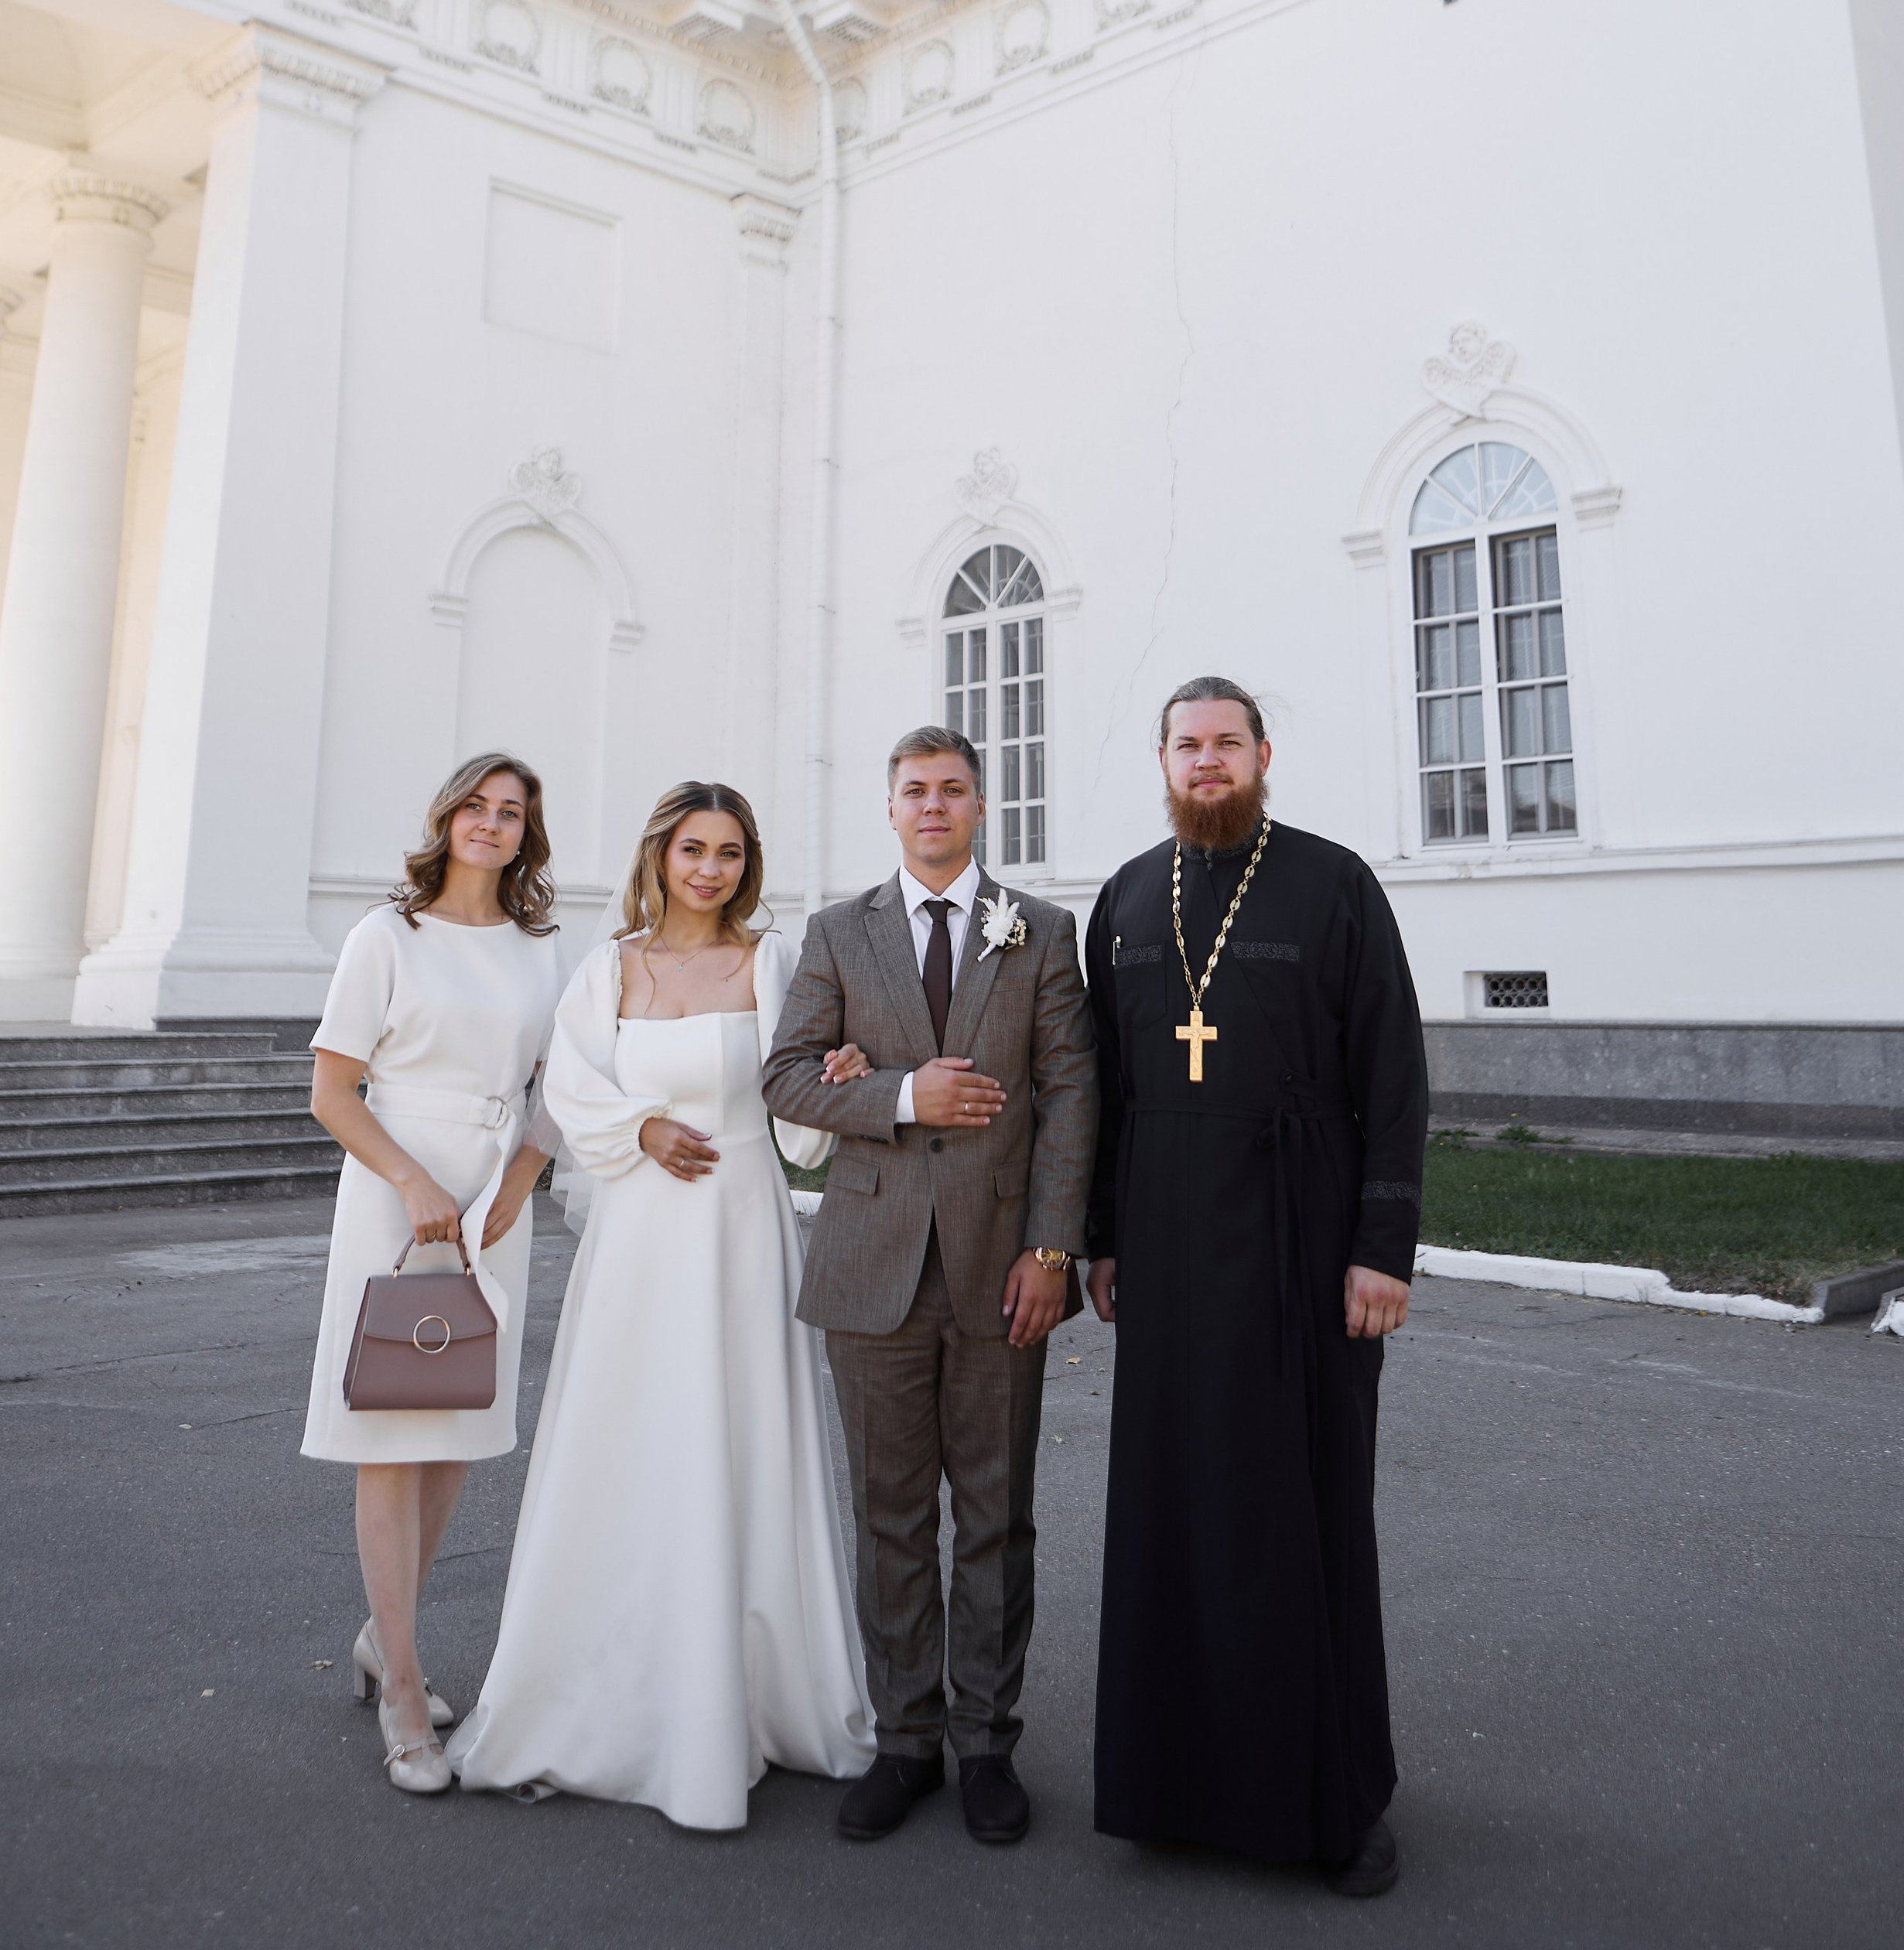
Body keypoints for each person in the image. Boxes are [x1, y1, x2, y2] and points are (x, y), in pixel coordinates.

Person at [449, 782, 873, 1825]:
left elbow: (798, 1111)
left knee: (740, 1440)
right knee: (627, 1437)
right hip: (638, 1240)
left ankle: (754, 1699)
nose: (710, 870)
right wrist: (639, 1128)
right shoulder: (610, 967)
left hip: (740, 1230)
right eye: (694, 849)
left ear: (747, 864)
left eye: (729, 853)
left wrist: (839, 1075)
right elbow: (569, 1089)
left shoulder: (773, 962)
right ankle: (611, 1693)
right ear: (662, 855)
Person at [1084, 678, 1428, 1900]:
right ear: (1163, 761)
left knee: (1302, 1508)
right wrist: (1103, 1239)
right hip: (1167, 1248)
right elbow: (1109, 1089)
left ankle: (1333, 1799)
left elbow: (1394, 1076)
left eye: (1228, 742)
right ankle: (1177, 1787)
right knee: (1175, 1507)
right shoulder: (1129, 896)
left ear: (1263, 755)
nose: (1208, 761)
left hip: (1303, 1237)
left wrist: (1383, 1247)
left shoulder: (1335, 884)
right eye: (1188, 744)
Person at [763, 726, 1097, 1848]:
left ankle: (987, 1743)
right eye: (916, 790)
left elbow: (1072, 1096)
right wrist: (903, 1097)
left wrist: (1052, 1251)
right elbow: (786, 1077)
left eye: (954, 789)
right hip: (874, 1271)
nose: (935, 806)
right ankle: (905, 1742)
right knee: (892, 1516)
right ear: (892, 807)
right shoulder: (836, 932)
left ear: (981, 806)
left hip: (1004, 1272)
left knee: (996, 1517)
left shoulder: (1040, 930)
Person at [303, 753, 568, 1796]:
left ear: (525, 835)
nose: (492, 824)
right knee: (392, 1431)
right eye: (477, 807)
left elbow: (557, 1084)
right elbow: (332, 1091)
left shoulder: (541, 948)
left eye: (512, 813)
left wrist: (524, 1180)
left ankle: (385, 1636)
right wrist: (412, 1180)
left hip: (493, 1200)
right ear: (448, 817)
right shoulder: (386, 935)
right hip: (393, 1191)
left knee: (458, 1428)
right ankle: (405, 1692)